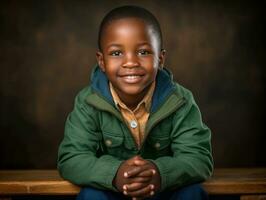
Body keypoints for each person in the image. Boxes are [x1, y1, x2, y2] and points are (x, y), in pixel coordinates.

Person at [57, 5, 213, 200]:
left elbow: (198, 158)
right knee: (91, 196)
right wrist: (115, 174)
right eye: (116, 53)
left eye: (143, 52)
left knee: (193, 193)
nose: (130, 62)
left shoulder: (180, 101)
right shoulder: (88, 102)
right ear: (101, 61)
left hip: (163, 190)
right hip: (112, 189)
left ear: (161, 59)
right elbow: (72, 159)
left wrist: (159, 172)